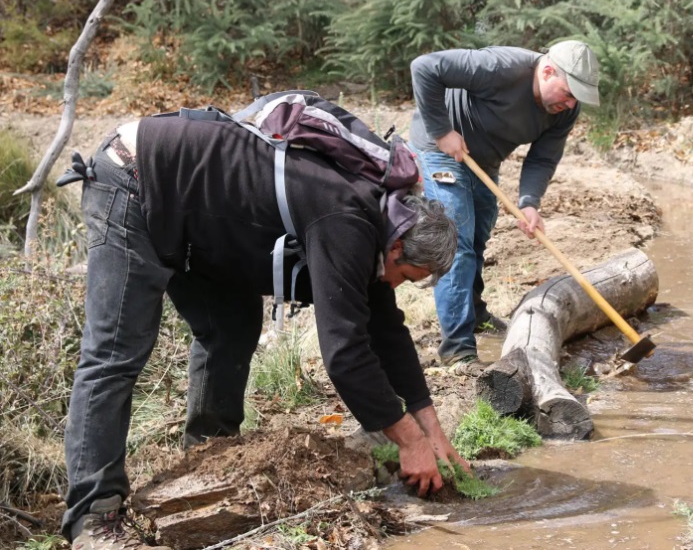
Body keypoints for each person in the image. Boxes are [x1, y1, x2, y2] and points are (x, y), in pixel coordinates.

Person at [60, 112, 467, 550]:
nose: (395, 285)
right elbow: (345, 352)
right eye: (405, 276)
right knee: (116, 351)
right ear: (399, 245)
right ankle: (94, 517)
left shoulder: (381, 224)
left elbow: (386, 329)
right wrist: (408, 440)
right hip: (135, 175)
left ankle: (207, 466)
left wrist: (432, 430)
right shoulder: (347, 218)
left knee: (232, 328)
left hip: (197, 212)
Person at [408, 40, 600, 369]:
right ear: (548, 72)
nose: (570, 104)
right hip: (440, 149)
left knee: (478, 236)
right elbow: (424, 67)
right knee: (457, 242)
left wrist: (529, 203)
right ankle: (458, 349)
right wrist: (442, 131)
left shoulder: (566, 110)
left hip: (484, 159)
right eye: (568, 93)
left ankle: (475, 313)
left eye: (576, 98)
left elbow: (543, 158)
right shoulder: (501, 67)